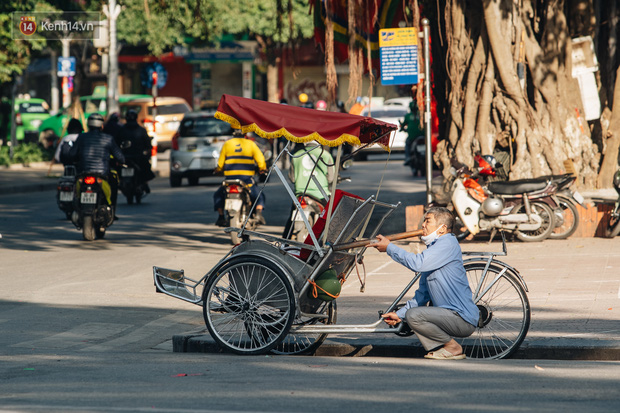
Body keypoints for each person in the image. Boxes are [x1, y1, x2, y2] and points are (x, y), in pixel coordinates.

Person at [372, 206, 479, 360]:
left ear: (442, 229)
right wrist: (399, 315)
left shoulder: (446, 243)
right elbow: (422, 295)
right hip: (448, 315)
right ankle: (445, 346)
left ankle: (452, 348)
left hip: (461, 317)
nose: (423, 225)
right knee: (411, 314)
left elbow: (417, 263)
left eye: (428, 221)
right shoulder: (434, 249)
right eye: (424, 221)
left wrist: (389, 248)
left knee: (414, 315)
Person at [70, 113, 125, 210]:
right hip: (102, 173)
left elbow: (71, 154)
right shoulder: (108, 138)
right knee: (114, 184)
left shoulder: (81, 137)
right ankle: (111, 208)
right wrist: (120, 161)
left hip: (83, 172)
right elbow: (120, 157)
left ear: (88, 125)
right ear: (102, 125)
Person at [213, 131, 267, 227]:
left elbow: (220, 164)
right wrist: (263, 169)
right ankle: (258, 214)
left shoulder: (227, 144)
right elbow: (261, 160)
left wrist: (218, 170)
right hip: (246, 181)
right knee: (259, 196)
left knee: (218, 195)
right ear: (245, 134)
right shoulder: (251, 144)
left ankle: (221, 216)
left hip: (230, 181)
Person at [115, 109, 155, 191]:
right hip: (134, 157)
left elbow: (115, 143)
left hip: (127, 157)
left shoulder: (122, 130)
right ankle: (144, 183)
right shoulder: (141, 130)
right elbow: (148, 144)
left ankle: (144, 183)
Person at [400, 101, 423, 167]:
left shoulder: (408, 116)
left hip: (412, 137)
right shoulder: (421, 114)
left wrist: (402, 128)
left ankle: (408, 157)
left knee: (407, 144)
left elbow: (403, 125)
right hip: (423, 135)